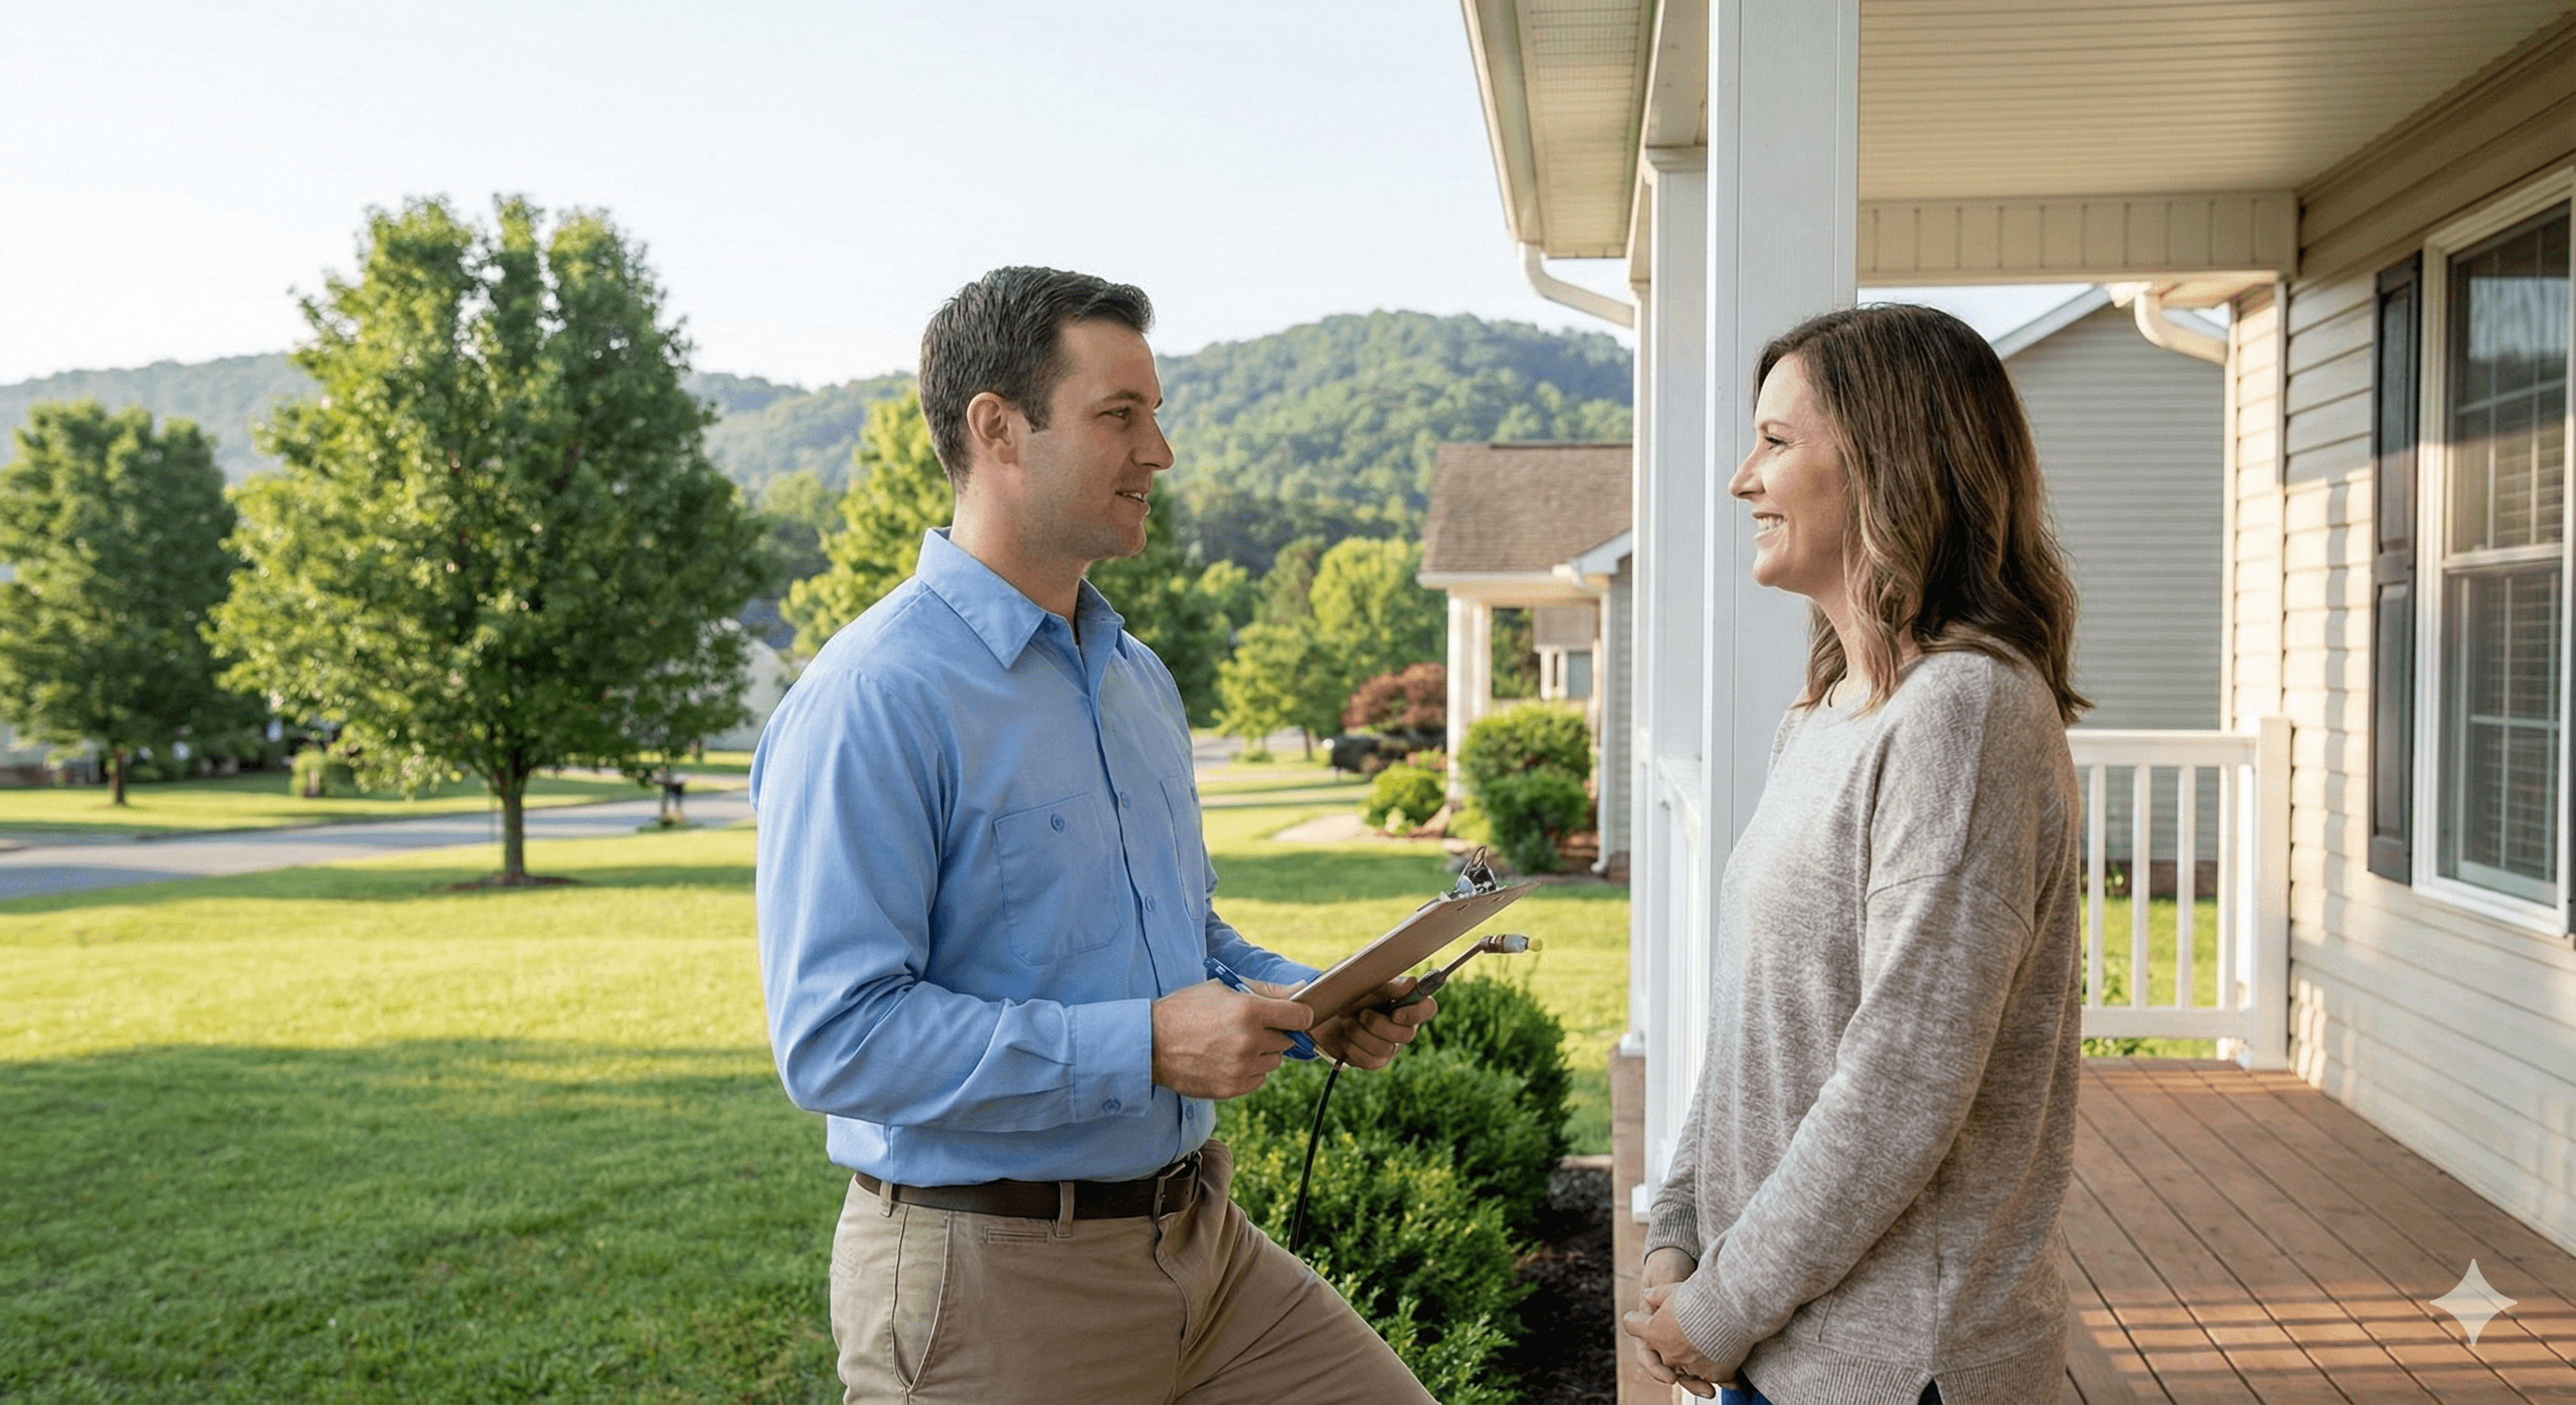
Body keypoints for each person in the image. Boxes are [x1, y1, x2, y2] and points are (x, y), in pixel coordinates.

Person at [751, 265, 1439, 1404]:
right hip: (992, 1289)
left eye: (1154, 415)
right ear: (996, 430)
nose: (1157, 451)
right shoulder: (873, 696)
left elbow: (1182, 932)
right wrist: (1145, 1047)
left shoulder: (1134, 677)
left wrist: (1308, 1001)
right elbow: (834, 1040)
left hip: (1203, 1254)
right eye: (1118, 416)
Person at [1620, 304, 2088, 1404]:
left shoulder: (1963, 713)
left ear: (1889, 460)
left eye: (1777, 442)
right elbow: (1759, 1023)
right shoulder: (1829, 715)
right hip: (1776, 1339)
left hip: (1891, 1364)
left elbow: (1902, 1082)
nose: (1743, 479)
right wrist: (1679, 1227)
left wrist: (1722, 1307)